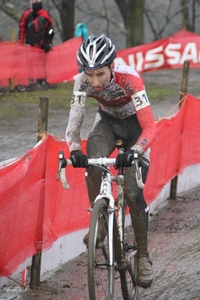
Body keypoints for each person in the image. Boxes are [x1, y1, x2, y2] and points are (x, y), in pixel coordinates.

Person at [65, 34, 157, 288]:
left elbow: (150, 126)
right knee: (92, 157)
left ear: (112, 66)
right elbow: (74, 124)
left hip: (136, 128)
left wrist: (137, 150)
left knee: (132, 192)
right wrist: (74, 150)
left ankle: (144, 256)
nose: (95, 82)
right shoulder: (81, 83)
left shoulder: (130, 79)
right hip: (106, 123)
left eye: (101, 74)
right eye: (89, 74)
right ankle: (102, 223)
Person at [18, 0, 54, 86]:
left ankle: (40, 80)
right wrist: (20, 42)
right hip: (30, 43)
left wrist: (49, 41)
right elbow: (22, 28)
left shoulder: (43, 15)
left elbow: (49, 30)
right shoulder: (26, 14)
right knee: (30, 62)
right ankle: (31, 80)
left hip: (39, 44)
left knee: (41, 62)